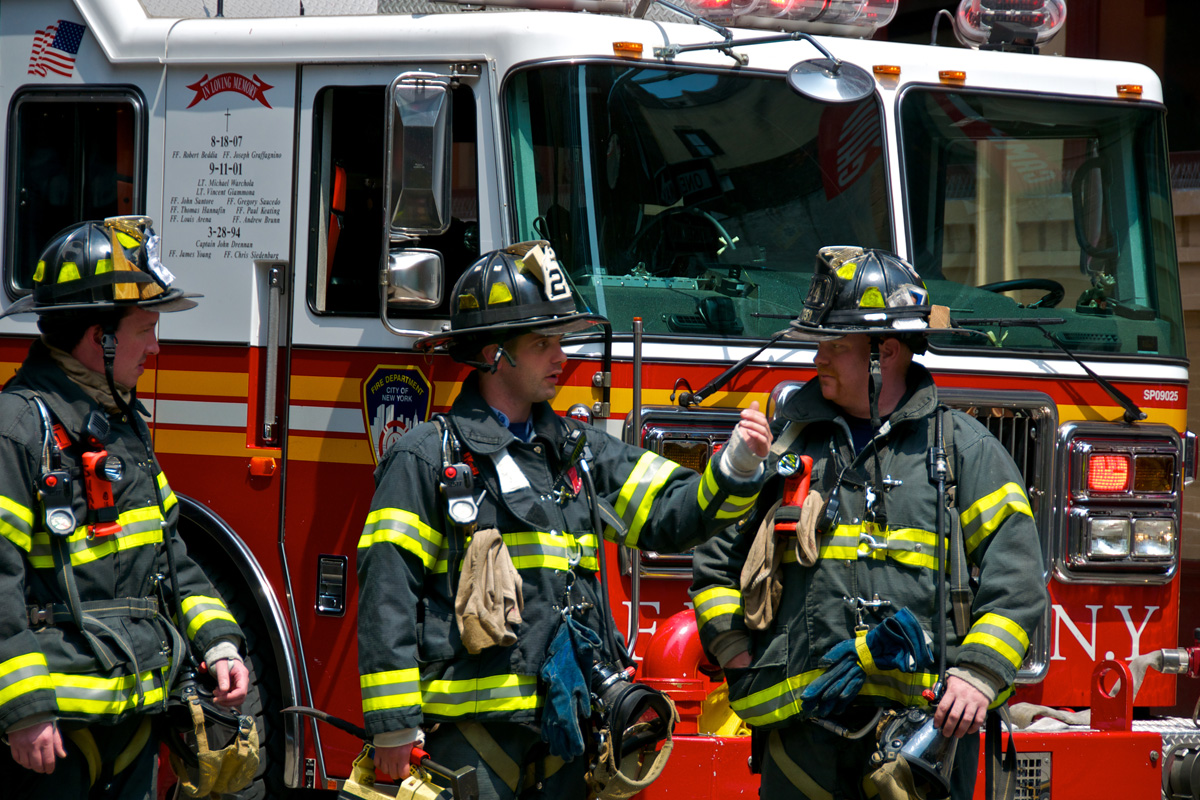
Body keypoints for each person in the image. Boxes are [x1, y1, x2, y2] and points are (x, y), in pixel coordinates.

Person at [357, 240, 771, 800]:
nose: (561, 357)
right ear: (492, 354)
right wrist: (393, 729)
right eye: (541, 343)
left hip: (570, 731)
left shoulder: (577, 453)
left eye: (561, 340)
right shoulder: (426, 457)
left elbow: (675, 516)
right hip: (472, 743)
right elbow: (388, 598)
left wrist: (736, 465)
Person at [690, 246, 1049, 800]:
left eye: (835, 345)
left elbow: (1019, 582)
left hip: (920, 744)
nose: (818, 360)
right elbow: (714, 561)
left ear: (886, 351)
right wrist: (737, 651)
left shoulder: (965, 452)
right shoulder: (785, 447)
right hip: (800, 735)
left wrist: (978, 674)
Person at [0, 217, 250, 799]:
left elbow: (174, 559)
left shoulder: (123, 429)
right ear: (99, 338)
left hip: (134, 723)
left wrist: (220, 646)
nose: (157, 347)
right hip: (55, 738)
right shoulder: (17, 430)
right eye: (146, 329)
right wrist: (25, 710)